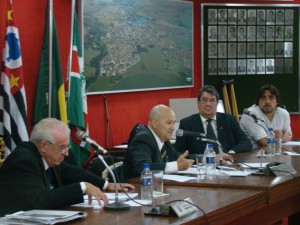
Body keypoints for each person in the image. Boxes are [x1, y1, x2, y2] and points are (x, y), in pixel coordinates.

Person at [0, 118, 135, 216]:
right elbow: (39, 201)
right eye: (62, 147)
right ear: (44, 146)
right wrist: (82, 187)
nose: (66, 153)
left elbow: (70, 171)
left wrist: (106, 185)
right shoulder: (23, 161)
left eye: (67, 146)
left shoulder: (48, 157)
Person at [175, 85, 252, 155]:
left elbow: (246, 143)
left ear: (217, 103)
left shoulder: (229, 120)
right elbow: (179, 152)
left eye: (212, 100)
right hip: (201, 166)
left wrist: (231, 153)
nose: (208, 104)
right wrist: (201, 158)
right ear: (198, 103)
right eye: (204, 100)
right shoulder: (186, 123)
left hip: (227, 164)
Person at [122, 105, 194, 179]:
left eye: (173, 123)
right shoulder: (143, 138)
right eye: (169, 123)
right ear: (155, 123)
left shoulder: (163, 138)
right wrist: (175, 166)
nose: (173, 128)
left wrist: (198, 159)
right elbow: (142, 167)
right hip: (134, 186)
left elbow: (176, 157)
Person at [240, 84, 292, 149]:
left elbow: (289, 135)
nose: (267, 101)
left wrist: (281, 137)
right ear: (258, 101)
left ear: (277, 101)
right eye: (263, 98)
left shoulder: (283, 113)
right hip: (250, 154)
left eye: (271, 97)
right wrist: (281, 138)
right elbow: (263, 141)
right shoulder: (250, 114)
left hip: (272, 151)